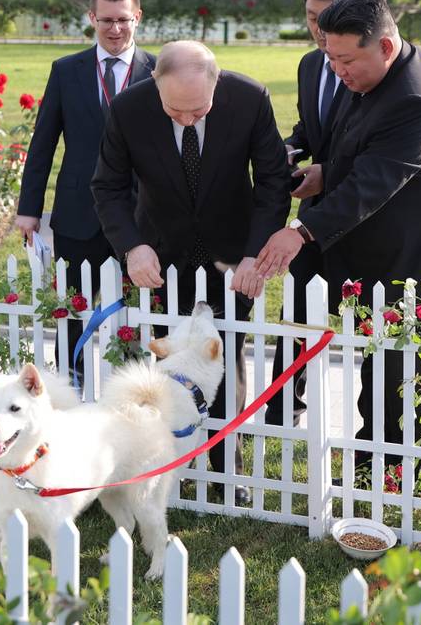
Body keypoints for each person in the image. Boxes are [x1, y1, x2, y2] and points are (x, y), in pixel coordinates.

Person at [255, 0, 421, 474]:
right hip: (382, 251)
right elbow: (353, 151)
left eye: (344, 59)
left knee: (407, 385)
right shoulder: (368, 75)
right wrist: (322, 174)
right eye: (329, 57)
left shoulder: (416, 101)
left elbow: (373, 184)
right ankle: (371, 468)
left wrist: (300, 230)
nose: (336, 70)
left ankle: (404, 480)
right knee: (379, 374)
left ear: (383, 46)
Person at [92, 41, 293, 504]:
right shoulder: (128, 109)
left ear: (216, 84)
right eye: (174, 110)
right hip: (161, 256)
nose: (185, 119)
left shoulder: (250, 99)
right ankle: (167, 466)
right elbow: (108, 185)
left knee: (224, 357)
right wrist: (132, 247)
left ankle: (228, 473)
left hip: (232, 258)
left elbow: (271, 183)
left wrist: (254, 253)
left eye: (197, 109)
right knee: (169, 364)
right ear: (155, 86)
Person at [15, 0, 156, 386]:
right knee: (71, 314)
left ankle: (129, 393)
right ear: (92, 18)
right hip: (78, 216)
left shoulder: (159, 69)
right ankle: (70, 390)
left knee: (133, 314)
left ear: (138, 18)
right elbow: (43, 143)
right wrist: (28, 209)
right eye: (106, 20)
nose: (115, 29)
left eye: (124, 20)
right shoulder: (66, 71)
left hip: (139, 217)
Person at [264, 0, 364, 429]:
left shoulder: (370, 68)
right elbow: (313, 128)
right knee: (297, 316)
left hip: (366, 214)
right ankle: (285, 410)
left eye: (329, 18)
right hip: (313, 212)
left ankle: (373, 426)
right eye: (311, 18)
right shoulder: (308, 65)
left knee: (368, 327)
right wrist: (291, 147)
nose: (321, 32)